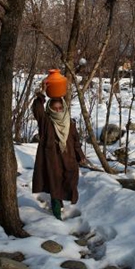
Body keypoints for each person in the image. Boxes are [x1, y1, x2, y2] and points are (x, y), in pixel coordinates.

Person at [32, 79, 86, 220]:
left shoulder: (70, 123)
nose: (57, 111)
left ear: (64, 108)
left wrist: (80, 155)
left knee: (68, 181)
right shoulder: (46, 122)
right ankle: (56, 210)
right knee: (54, 182)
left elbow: (75, 141)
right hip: (52, 159)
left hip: (68, 158)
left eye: (60, 108)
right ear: (50, 109)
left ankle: (59, 200)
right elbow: (37, 110)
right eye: (54, 108)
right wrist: (42, 93)